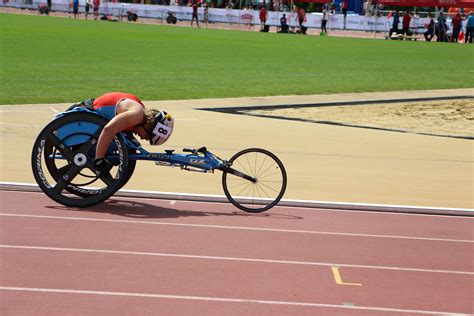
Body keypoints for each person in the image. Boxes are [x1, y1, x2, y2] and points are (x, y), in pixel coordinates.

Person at [71, 92, 174, 174]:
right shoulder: (136, 115)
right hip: (86, 114)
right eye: (147, 137)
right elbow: (108, 130)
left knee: (130, 146)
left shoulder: (140, 112)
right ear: (148, 126)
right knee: (124, 146)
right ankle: (96, 155)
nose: (143, 138)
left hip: (95, 114)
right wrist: (99, 159)